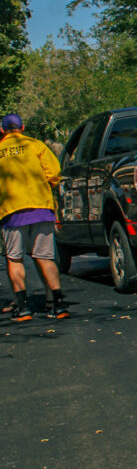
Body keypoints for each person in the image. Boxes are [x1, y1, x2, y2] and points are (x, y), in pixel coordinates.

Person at [0, 114, 67, 320]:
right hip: (41, 208)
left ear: (2, 130)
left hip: (11, 211)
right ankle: (58, 305)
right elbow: (55, 172)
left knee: (14, 258)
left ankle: (23, 308)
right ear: (22, 127)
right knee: (45, 257)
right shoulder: (36, 145)